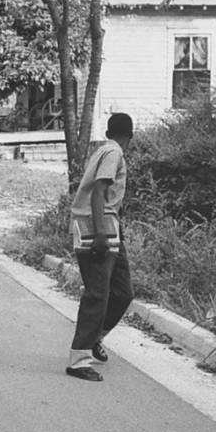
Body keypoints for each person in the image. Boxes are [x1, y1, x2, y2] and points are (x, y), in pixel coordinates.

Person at [66, 113, 136, 382]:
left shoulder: (104, 150)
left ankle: (95, 338)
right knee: (97, 294)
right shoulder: (113, 153)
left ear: (109, 131)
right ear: (130, 136)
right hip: (97, 227)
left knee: (123, 291)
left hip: (110, 226)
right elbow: (99, 191)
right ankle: (79, 359)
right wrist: (98, 235)